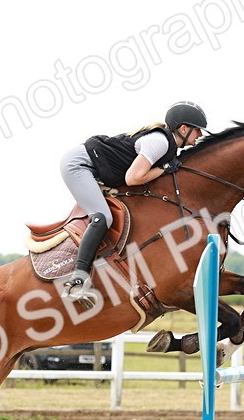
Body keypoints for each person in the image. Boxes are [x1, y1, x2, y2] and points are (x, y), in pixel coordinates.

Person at [58, 101, 209, 303]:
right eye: (197, 130)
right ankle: (77, 280)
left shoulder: (168, 146)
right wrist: (164, 169)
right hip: (78, 165)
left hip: (93, 166)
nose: (200, 135)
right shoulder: (160, 142)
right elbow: (133, 178)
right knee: (102, 217)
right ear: (183, 129)